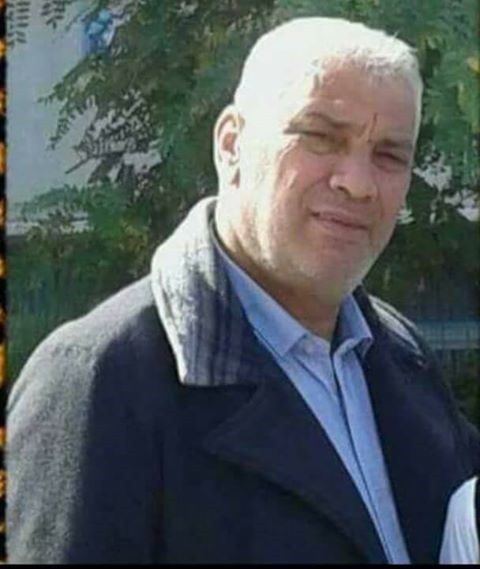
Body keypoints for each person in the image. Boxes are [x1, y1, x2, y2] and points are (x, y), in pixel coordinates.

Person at [7, 17, 480, 564]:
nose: (357, 182)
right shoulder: (100, 379)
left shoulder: (401, 357)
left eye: (389, 155)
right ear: (231, 144)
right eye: (321, 137)